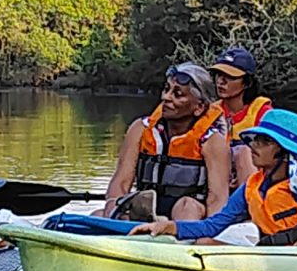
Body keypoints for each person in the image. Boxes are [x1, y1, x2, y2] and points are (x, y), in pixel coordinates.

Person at [140, 109, 297, 254]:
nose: (253, 145)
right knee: (205, 242)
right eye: (255, 139)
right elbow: (212, 226)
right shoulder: (251, 187)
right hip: (272, 252)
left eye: (265, 142)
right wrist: (170, 227)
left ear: (287, 154)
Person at [98, 61, 233, 222]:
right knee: (98, 215)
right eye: (166, 89)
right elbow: (121, 181)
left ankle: (180, 243)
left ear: (199, 107)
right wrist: (112, 211)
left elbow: (217, 199)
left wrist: (208, 235)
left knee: (186, 206)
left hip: (188, 217)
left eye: (178, 94)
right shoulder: (140, 129)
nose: (165, 97)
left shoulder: (212, 142)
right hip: (146, 211)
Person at [208, 45, 272, 189]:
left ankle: (251, 206)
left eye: (230, 77)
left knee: (244, 151)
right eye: (218, 75)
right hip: (218, 181)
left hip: (255, 180)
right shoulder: (211, 113)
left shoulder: (263, 113)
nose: (221, 81)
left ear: (247, 83)